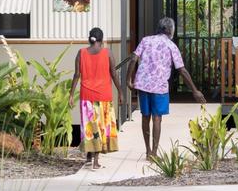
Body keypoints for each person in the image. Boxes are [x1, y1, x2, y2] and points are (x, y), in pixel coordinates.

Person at [127, 17, 205, 158]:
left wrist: (129, 80)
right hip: (159, 87)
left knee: (145, 117)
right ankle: (154, 153)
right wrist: (195, 90)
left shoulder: (146, 40)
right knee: (157, 118)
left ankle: (147, 151)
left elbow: (133, 58)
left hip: (143, 85)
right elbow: (182, 70)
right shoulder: (171, 45)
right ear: (170, 30)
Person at [68, 27, 120, 170]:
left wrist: (71, 94)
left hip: (86, 97)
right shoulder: (108, 53)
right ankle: (95, 162)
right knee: (100, 128)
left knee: (89, 126)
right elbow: (114, 75)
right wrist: (121, 92)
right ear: (102, 40)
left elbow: (76, 75)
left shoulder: (81, 53)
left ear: (89, 39)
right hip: (103, 97)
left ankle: (88, 158)